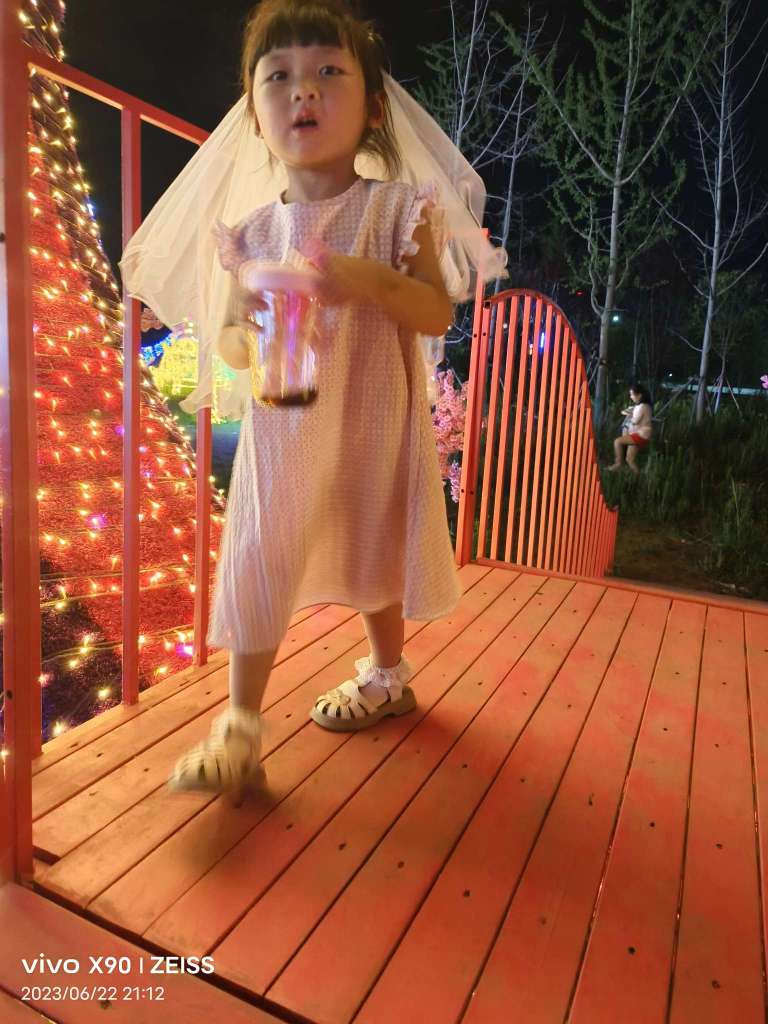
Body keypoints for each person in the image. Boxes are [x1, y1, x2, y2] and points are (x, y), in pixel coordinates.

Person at [120, 0, 505, 804]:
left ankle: (387, 675)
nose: (304, 90)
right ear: (255, 115)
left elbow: (435, 312)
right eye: (280, 77)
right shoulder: (254, 234)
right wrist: (245, 343)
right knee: (261, 556)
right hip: (285, 423)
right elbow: (231, 335)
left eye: (329, 71)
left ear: (373, 109)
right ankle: (240, 730)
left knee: (375, 545)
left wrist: (367, 279)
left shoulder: (396, 210)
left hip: (371, 421)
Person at [608, 384, 653, 474]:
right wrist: (631, 412)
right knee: (629, 459)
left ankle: (618, 464)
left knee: (617, 442)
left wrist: (629, 414)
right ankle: (638, 476)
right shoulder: (644, 406)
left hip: (641, 435)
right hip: (642, 435)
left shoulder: (642, 406)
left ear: (639, 395)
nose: (631, 397)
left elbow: (635, 421)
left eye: (632, 394)